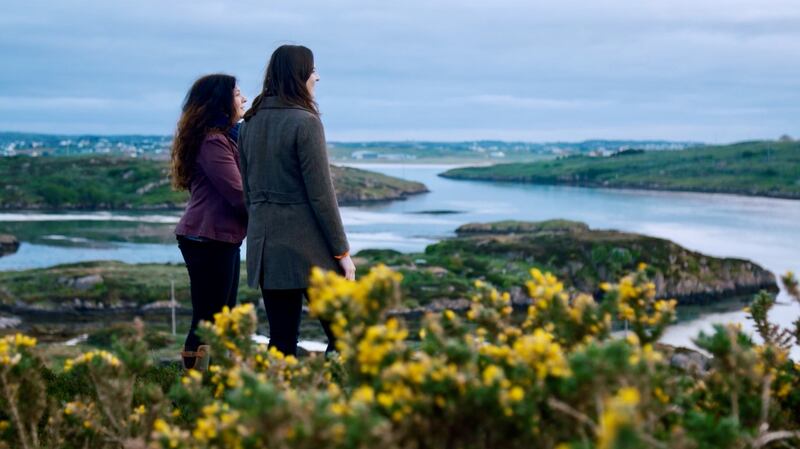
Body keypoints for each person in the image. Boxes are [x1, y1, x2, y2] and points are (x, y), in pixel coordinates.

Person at [239, 45, 356, 357]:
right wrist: (342, 252)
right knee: (345, 336)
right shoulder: (305, 121)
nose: (317, 77)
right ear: (300, 75)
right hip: (309, 251)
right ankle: (336, 399)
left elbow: (247, 193)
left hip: (266, 247)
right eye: (313, 70)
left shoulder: (249, 123)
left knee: (281, 343)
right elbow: (321, 195)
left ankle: (280, 403)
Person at [171, 74, 248, 370]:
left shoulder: (228, 136)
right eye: (237, 93)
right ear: (220, 101)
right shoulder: (214, 142)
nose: (243, 99)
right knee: (209, 319)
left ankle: (206, 382)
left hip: (220, 237)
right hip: (207, 239)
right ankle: (192, 385)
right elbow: (238, 194)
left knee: (221, 316)